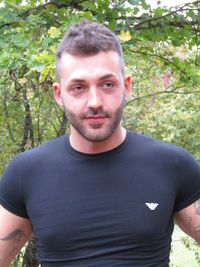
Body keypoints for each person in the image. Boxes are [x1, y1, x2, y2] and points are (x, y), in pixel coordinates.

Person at [0, 20, 200, 267]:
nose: (94, 101)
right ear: (58, 94)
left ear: (126, 87)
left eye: (107, 84)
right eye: (78, 87)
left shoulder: (173, 166)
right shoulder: (26, 173)